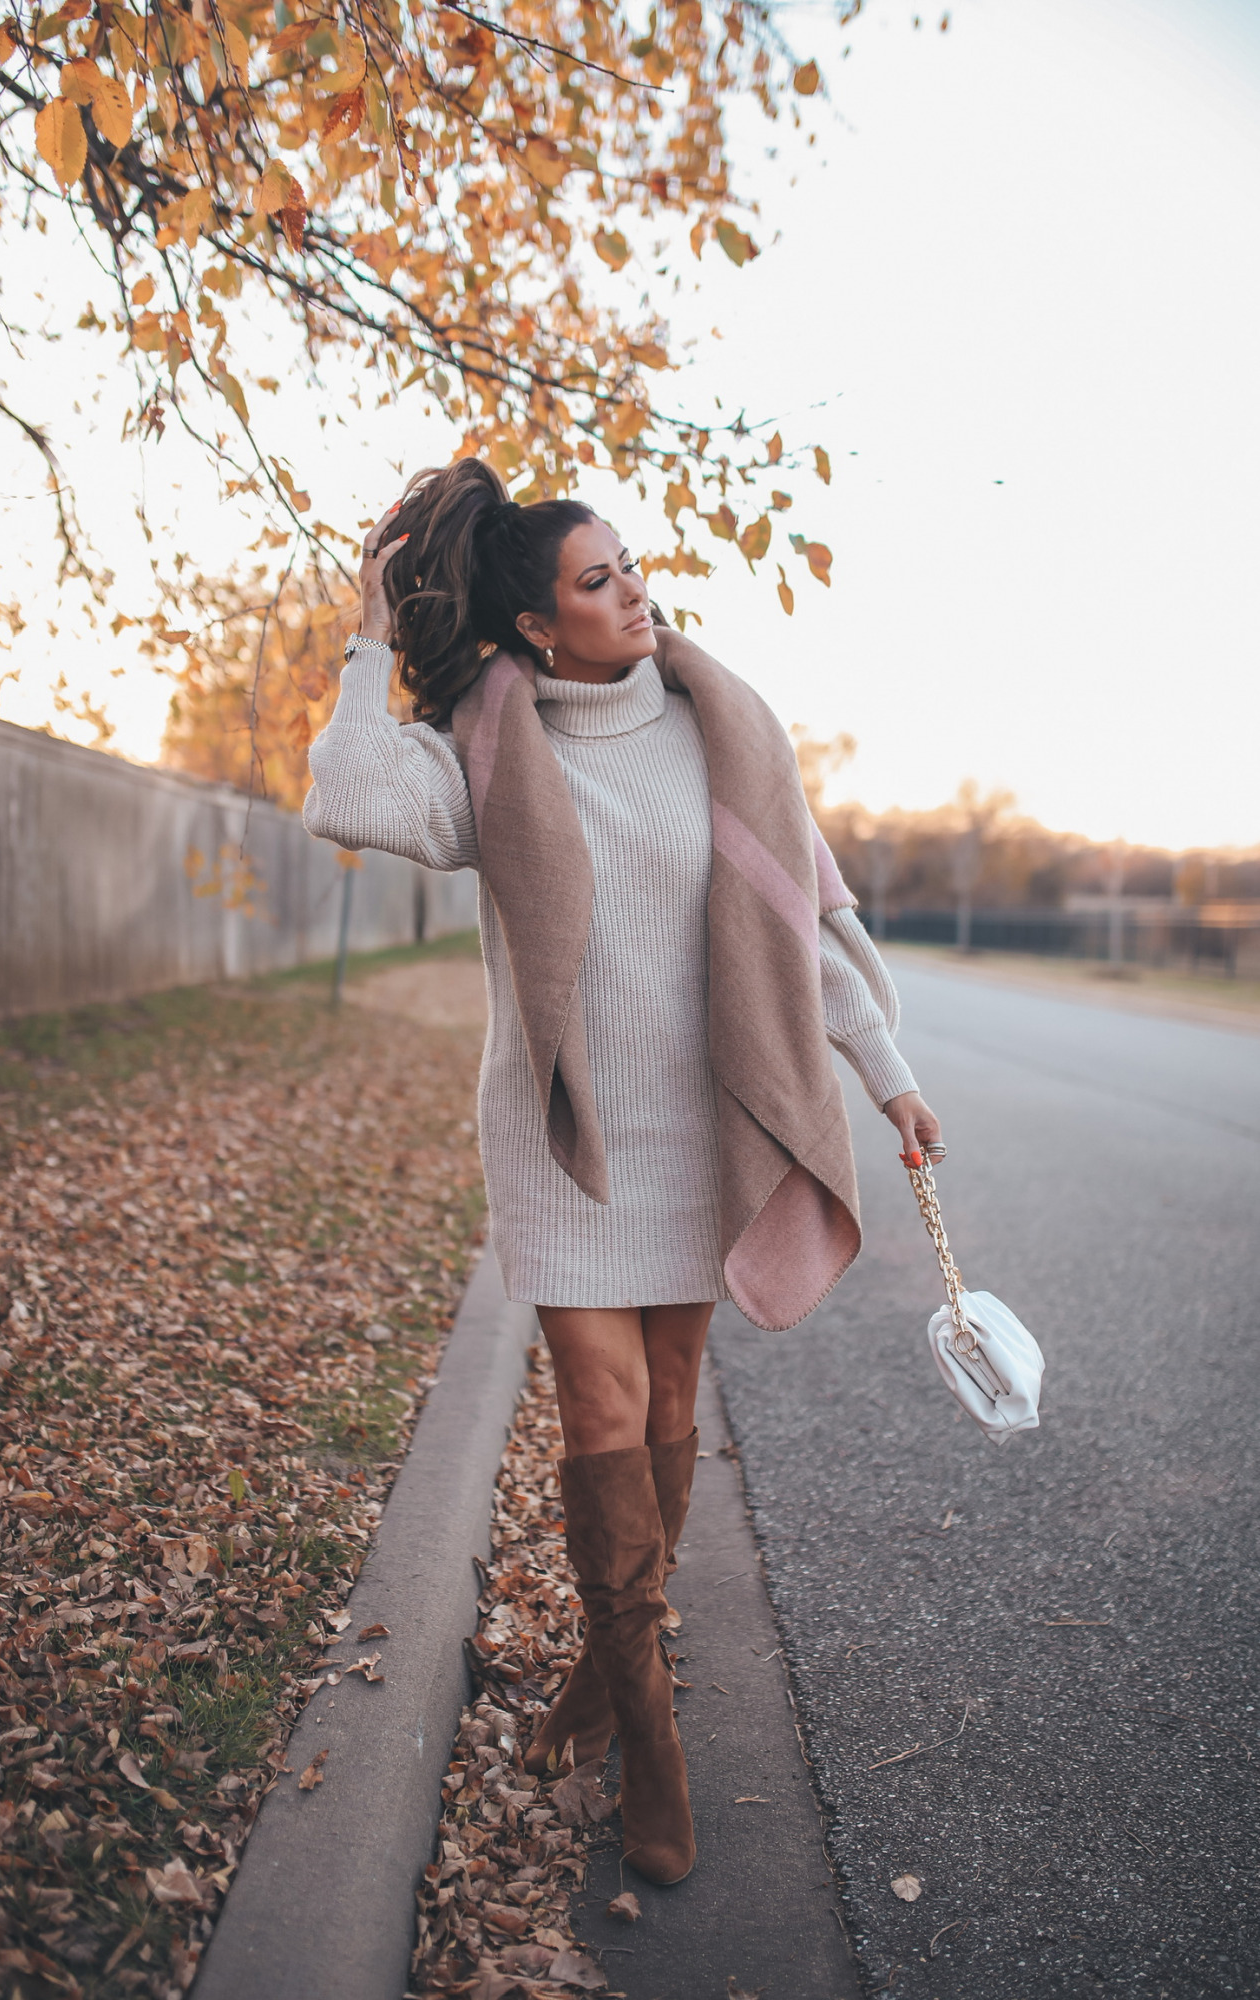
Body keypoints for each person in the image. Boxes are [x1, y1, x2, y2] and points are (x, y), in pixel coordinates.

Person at [303, 457, 943, 1886]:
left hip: (699, 1126)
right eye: (599, 583)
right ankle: (650, 1740)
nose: (634, 594)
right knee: (598, 1399)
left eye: (631, 569)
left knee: (667, 1403)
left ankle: (600, 1673)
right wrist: (365, 625)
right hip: (565, 1138)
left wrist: (887, 1081)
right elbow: (342, 794)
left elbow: (801, 948)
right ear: (535, 625)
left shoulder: (724, 734)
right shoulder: (481, 747)